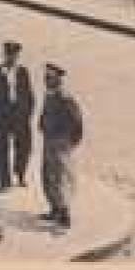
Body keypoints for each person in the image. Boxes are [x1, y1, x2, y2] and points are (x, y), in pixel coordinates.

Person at [38, 63, 83, 229]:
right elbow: (44, 114)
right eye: (45, 77)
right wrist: (41, 124)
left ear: (58, 78)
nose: (46, 80)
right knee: (48, 174)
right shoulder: (49, 94)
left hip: (61, 142)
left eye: (49, 78)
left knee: (61, 176)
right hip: (49, 140)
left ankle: (65, 215)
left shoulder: (65, 97)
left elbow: (77, 121)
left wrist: (71, 142)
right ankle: (54, 209)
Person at [0, 41, 36, 188]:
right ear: (5, 55)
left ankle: (21, 173)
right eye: (9, 54)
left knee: (24, 146)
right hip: (3, 115)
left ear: (18, 56)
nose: (11, 58)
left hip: (20, 115)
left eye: (14, 55)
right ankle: (5, 180)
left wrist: (27, 112)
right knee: (2, 147)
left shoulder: (23, 71)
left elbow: (29, 94)